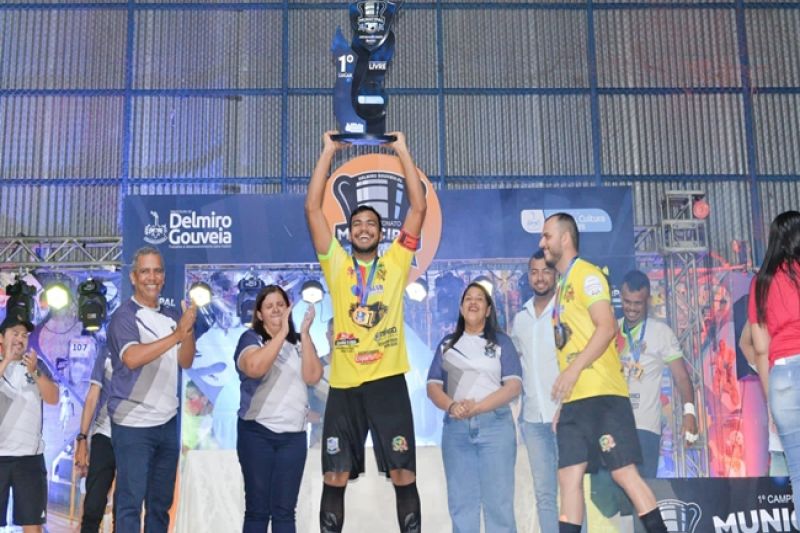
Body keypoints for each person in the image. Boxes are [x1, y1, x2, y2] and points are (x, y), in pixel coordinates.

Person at [305, 130, 426, 533]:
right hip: (344, 385)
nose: (363, 228)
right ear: (348, 232)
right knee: (334, 474)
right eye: (356, 223)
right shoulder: (336, 264)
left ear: (380, 232)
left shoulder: (396, 261)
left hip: (388, 382)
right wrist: (328, 152)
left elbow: (419, 208)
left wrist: (402, 150)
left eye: (370, 223)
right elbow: (312, 209)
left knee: (403, 473)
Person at [538, 213, 667, 533]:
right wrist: (565, 400)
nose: (542, 243)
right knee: (568, 477)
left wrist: (573, 372)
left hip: (604, 396)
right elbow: (571, 346)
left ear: (565, 238)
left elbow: (607, 327)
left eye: (547, 236)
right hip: (575, 400)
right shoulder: (561, 286)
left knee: (624, 473)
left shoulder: (588, 275)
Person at [591, 269, 698, 519]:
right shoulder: (610, 330)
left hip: (644, 429)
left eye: (637, 303)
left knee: (641, 496)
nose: (631, 308)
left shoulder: (661, 333)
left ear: (647, 300)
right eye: (627, 302)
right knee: (604, 496)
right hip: (611, 427)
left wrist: (689, 413)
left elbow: (682, 377)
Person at [106, 246, 198, 533]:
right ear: (133, 277)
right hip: (133, 424)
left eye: (157, 271)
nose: (152, 277)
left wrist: (187, 331)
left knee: (160, 506)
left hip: (167, 423)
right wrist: (177, 334)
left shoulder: (172, 315)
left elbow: (185, 360)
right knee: (130, 504)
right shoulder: (125, 316)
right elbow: (132, 358)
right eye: (145, 271)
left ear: (164, 277)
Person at [427, 282, 522, 533]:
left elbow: (513, 386)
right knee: (462, 505)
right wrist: (452, 406)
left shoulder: (501, 342)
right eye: (468, 298)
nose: (473, 302)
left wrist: (478, 407)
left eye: (480, 298)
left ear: (488, 310)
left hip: (495, 428)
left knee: (499, 505)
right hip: (456, 431)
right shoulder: (447, 344)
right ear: (461, 308)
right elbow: (433, 386)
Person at [234, 285, 323, 533]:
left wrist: (305, 334)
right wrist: (281, 333)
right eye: (269, 306)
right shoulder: (251, 338)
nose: (275, 310)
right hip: (257, 433)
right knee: (257, 509)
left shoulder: (300, 341)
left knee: (285, 511)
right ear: (259, 314)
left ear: (288, 308)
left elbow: (313, 376)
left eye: (280, 305)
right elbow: (254, 368)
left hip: (293, 437)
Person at [510, 249, 562, 532]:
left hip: (565, 415)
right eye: (534, 272)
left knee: (572, 490)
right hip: (532, 419)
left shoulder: (567, 311)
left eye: (546, 271)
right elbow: (516, 369)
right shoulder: (521, 319)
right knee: (544, 495)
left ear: (555, 274)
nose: (540, 278)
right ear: (528, 276)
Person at [748, 210, 800, 492]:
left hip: (782, 379)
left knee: (797, 472)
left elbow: (760, 349)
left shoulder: (761, 283)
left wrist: (771, 403)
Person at [0, 312, 59, 533]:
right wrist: (6, 360)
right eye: (15, 333)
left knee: (32, 523)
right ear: (1, 337)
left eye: (24, 335)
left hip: (29, 458)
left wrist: (35, 372)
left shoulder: (36, 365)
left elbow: (53, 398)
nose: (20, 339)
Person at [74, 346, 116, 533]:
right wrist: (82, 438)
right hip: (103, 434)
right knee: (93, 504)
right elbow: (92, 396)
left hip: (134, 436)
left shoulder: (145, 343)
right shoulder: (106, 350)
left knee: (125, 507)